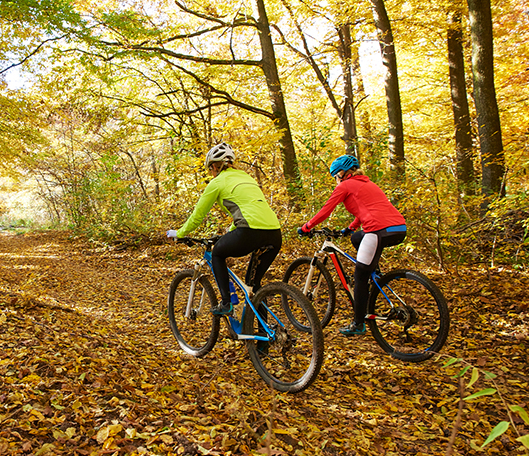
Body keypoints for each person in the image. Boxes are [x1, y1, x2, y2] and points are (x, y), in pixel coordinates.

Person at [166, 143, 282, 316]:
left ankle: (226, 303)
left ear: (214, 166)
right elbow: (249, 209)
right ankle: (263, 340)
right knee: (254, 285)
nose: (211, 172)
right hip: (274, 233)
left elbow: (198, 215)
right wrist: (230, 232)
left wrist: (180, 233)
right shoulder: (246, 178)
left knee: (217, 254)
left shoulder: (217, 182)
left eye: (210, 168)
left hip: (250, 231)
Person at [297, 154, 406, 336]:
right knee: (356, 238)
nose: (336, 180)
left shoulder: (345, 186)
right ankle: (375, 273)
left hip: (378, 231)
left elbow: (326, 210)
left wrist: (307, 226)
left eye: (335, 176)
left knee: (360, 276)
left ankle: (358, 324)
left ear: (343, 173)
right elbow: (367, 210)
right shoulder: (369, 184)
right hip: (398, 228)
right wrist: (351, 228)